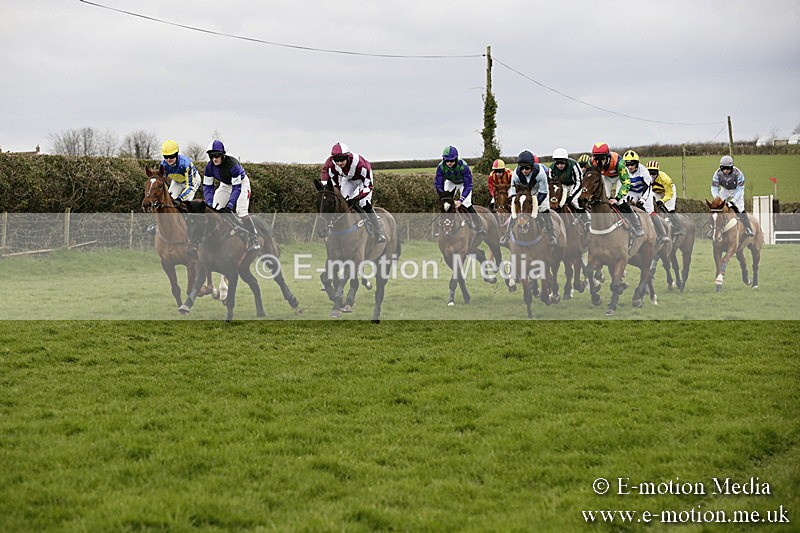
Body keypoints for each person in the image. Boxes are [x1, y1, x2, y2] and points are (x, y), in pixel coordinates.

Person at [320, 142, 386, 243]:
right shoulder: (331, 164)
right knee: (343, 201)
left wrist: (358, 197)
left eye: (342, 160)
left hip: (363, 180)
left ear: (348, 157)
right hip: (348, 179)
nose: (339, 163)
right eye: (336, 161)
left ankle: (379, 231)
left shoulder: (361, 165)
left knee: (363, 203)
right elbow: (335, 182)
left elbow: (368, 186)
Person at [202, 139, 260, 252]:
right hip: (225, 184)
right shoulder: (209, 167)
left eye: (217, 155)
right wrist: (209, 203)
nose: (214, 159)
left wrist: (230, 205)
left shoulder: (233, 165)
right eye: (211, 156)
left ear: (223, 155)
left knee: (241, 210)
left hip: (241, 184)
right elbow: (207, 187)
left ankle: (254, 238)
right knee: (214, 210)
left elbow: (237, 188)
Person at [499, 150, 556, 246]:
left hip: (539, 192)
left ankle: (551, 235)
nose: (524, 171)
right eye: (522, 168)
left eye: (527, 168)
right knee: (514, 212)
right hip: (523, 192)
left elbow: (543, 192)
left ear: (532, 166)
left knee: (543, 209)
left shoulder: (540, 174)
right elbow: (513, 192)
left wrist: (533, 205)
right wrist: (517, 202)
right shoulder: (516, 175)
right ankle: (507, 235)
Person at [145, 140, 200, 236]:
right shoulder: (164, 165)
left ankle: (191, 226)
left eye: (171, 156)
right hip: (177, 182)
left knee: (185, 202)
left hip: (192, 182)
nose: (169, 159)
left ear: (177, 154)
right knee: (168, 199)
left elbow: (190, 186)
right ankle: (156, 222)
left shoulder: (186, 164)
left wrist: (180, 198)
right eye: (166, 157)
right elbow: (161, 181)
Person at [590, 142, 644, 237]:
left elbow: (626, 183)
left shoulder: (619, 163)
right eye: (597, 159)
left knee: (619, 202)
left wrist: (617, 198)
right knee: (604, 199)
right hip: (606, 177)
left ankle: (636, 226)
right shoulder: (591, 162)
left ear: (607, 156)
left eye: (602, 158)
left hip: (620, 177)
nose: (599, 161)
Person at [434, 145, 485, 234]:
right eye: (447, 160)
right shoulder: (441, 167)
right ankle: (440, 226)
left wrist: (460, 200)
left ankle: (478, 226)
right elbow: (438, 184)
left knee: (467, 203)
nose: (449, 163)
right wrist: (443, 195)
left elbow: (468, 185)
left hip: (463, 184)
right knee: (446, 204)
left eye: (452, 160)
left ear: (456, 159)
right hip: (450, 182)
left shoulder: (463, 166)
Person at [622, 150, 670, 244]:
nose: (630, 167)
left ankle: (662, 234)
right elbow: (624, 185)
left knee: (650, 211)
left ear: (637, 163)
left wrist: (643, 200)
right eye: (627, 165)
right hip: (632, 191)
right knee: (626, 207)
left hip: (644, 191)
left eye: (632, 164)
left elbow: (647, 187)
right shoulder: (624, 171)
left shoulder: (643, 170)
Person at [711, 155, 754, 237]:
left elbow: (740, 190)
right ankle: (713, 229)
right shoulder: (717, 174)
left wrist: (733, 202)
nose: (725, 171)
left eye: (727, 168)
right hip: (724, 190)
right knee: (717, 207)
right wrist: (718, 199)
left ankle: (749, 228)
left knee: (740, 208)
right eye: (723, 168)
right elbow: (714, 188)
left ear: (731, 168)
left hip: (737, 191)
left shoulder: (738, 174)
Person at [549, 148, 590, 230]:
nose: (559, 165)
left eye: (562, 163)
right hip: (562, 186)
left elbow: (579, 182)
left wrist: (571, 196)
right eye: (557, 163)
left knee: (574, 201)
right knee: (557, 203)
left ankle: (587, 220)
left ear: (566, 161)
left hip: (574, 185)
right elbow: (551, 184)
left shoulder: (574, 165)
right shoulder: (551, 168)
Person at [646, 160, 684, 237]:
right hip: (656, 191)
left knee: (669, 208)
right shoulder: (645, 177)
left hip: (668, 191)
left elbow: (669, 194)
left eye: (654, 173)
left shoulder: (664, 178)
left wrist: (662, 200)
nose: (651, 175)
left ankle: (679, 228)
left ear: (657, 172)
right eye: (649, 173)